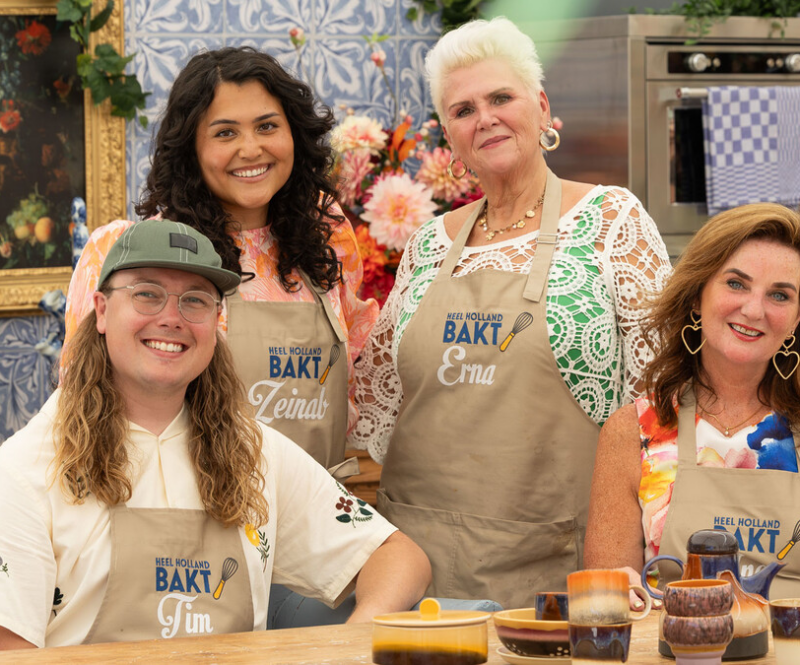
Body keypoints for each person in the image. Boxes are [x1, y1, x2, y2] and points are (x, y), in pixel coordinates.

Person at [348, 16, 672, 609]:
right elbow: (377, 397)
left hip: (553, 567)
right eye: (463, 109)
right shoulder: (428, 244)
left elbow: (660, 406)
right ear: (448, 134)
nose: (486, 117)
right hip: (415, 569)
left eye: (502, 97)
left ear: (542, 108)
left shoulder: (610, 221)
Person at [0, 220, 431, 650]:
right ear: (103, 309)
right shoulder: (25, 470)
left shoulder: (256, 453)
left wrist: (355, 639)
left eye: (195, 301)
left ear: (216, 321)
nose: (172, 318)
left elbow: (397, 556)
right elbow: (12, 650)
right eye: (147, 294)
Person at [62, 46, 378, 479]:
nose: (251, 149)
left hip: (314, 522)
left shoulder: (328, 236)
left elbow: (355, 374)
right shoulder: (125, 253)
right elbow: (81, 408)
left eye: (267, 126)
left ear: (295, 135)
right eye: (225, 133)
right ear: (190, 148)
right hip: (192, 523)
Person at [584, 202, 800, 599]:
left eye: (780, 295)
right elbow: (606, 608)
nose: (753, 310)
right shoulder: (632, 432)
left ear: (796, 321)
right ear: (696, 297)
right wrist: (613, 591)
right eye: (736, 284)